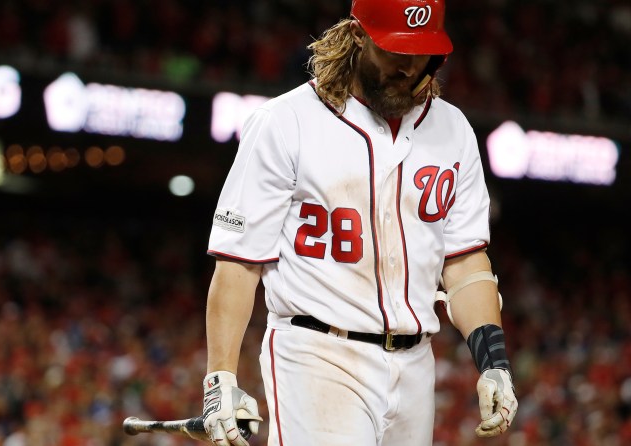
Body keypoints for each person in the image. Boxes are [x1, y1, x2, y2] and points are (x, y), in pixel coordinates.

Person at [200, 0, 518, 444]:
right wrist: (220, 377)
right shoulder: (285, 121)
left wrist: (495, 364)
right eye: (394, 50)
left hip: (415, 365)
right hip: (318, 355)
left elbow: (465, 262)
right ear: (357, 36)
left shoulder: (454, 130)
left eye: (421, 52)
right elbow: (238, 262)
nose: (409, 67)